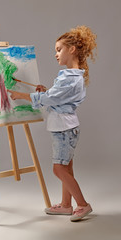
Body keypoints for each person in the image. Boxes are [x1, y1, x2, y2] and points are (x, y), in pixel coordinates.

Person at [7, 25, 97, 222]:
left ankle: (82, 204)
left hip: (64, 128)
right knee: (66, 169)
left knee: (58, 170)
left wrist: (23, 95)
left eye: (59, 49)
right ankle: (66, 206)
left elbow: (50, 99)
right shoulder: (71, 76)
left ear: (71, 49)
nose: (56, 54)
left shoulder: (71, 78)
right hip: (65, 126)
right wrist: (46, 92)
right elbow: (56, 98)